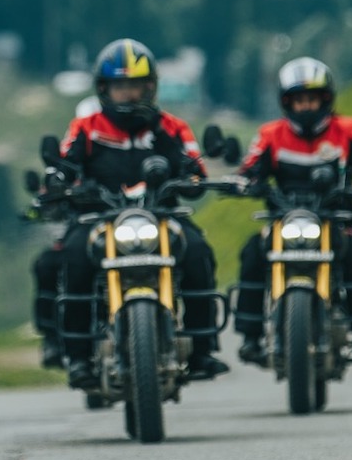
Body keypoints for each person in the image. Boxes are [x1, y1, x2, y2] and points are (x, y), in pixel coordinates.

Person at [31, 38, 226, 388]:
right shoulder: (86, 127)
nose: (130, 95)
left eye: (137, 86)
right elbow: (64, 164)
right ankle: (76, 357)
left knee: (197, 251)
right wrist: (61, 182)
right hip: (99, 219)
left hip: (161, 216)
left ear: (151, 87)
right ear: (105, 89)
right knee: (72, 257)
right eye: (121, 87)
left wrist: (190, 179)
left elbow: (195, 169)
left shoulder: (172, 127)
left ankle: (202, 350)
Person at [231, 56, 352, 367]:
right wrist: (242, 182)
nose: (306, 107)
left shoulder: (348, 129)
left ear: (327, 99)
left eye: (313, 99)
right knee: (252, 252)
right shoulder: (270, 134)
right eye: (299, 100)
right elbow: (250, 168)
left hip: (335, 221)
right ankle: (250, 337)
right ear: (285, 102)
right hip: (283, 221)